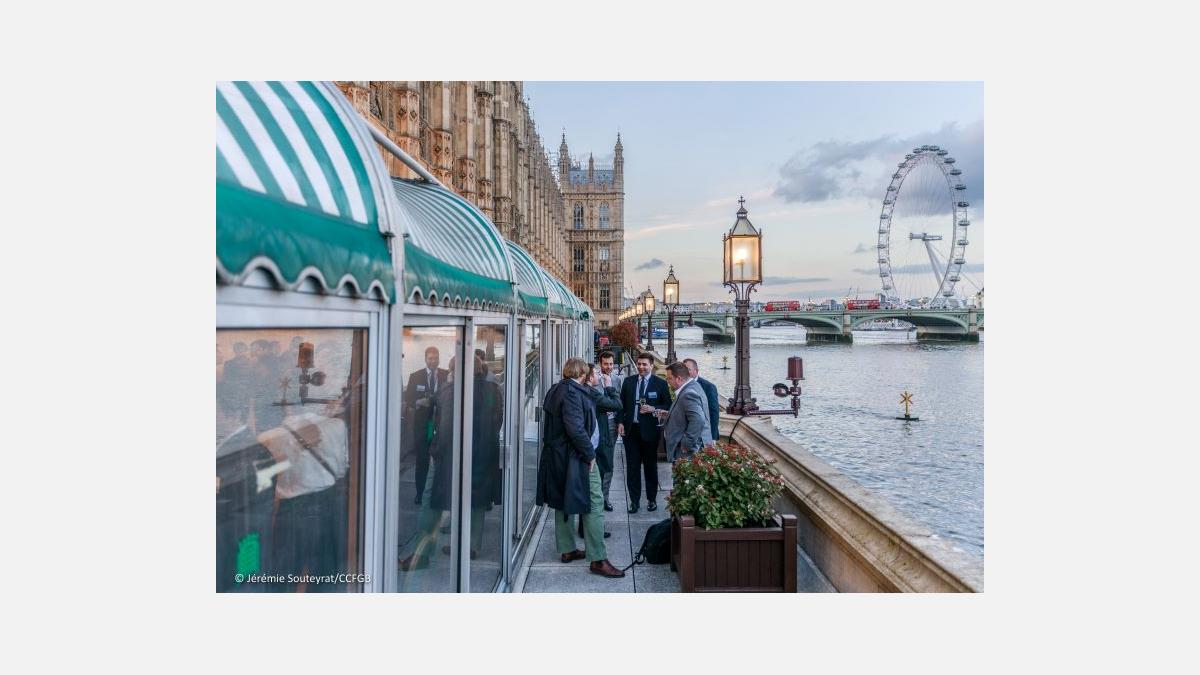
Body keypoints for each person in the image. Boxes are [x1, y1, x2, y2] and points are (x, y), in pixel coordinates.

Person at [535, 358, 624, 578]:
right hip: (576, 458)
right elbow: (575, 428)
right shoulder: (574, 393)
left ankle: (567, 550)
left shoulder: (556, 389)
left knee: (562, 502)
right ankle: (598, 559)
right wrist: (590, 454)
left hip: (559, 457)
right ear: (583, 374)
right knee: (594, 504)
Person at [618, 353, 670, 513]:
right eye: (639, 364)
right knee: (632, 468)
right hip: (631, 431)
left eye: (644, 364)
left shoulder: (660, 384)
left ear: (651, 366)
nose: (640, 367)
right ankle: (634, 501)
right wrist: (620, 422)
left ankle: (652, 500)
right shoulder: (628, 382)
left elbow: (668, 405)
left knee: (650, 467)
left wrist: (654, 409)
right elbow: (620, 405)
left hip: (650, 432)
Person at [403, 346, 447, 504]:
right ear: (425, 359)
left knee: (441, 459)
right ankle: (420, 493)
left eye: (436, 358)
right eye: (430, 358)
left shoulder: (446, 375)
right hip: (424, 425)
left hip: (440, 424)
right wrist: (417, 402)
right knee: (422, 459)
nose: (433, 361)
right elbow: (407, 398)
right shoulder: (416, 376)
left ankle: (439, 493)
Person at [659, 361, 714, 462]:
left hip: (687, 452)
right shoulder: (695, 385)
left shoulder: (688, 394)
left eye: (669, 378)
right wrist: (670, 414)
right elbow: (689, 414)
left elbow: (698, 420)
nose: (668, 381)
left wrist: (686, 444)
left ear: (679, 379)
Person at [593, 351, 624, 511]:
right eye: (606, 364)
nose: (609, 367)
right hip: (598, 425)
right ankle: (596, 496)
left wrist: (620, 422)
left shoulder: (617, 379)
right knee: (596, 462)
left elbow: (620, 403)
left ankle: (605, 498)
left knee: (609, 464)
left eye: (611, 364)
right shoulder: (594, 380)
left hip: (612, 426)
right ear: (600, 363)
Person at [683, 358, 721, 443]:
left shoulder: (709, 387)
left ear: (696, 371)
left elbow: (714, 412)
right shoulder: (682, 386)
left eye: (688, 369)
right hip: (687, 434)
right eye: (683, 370)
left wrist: (713, 437)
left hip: (704, 435)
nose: (685, 372)